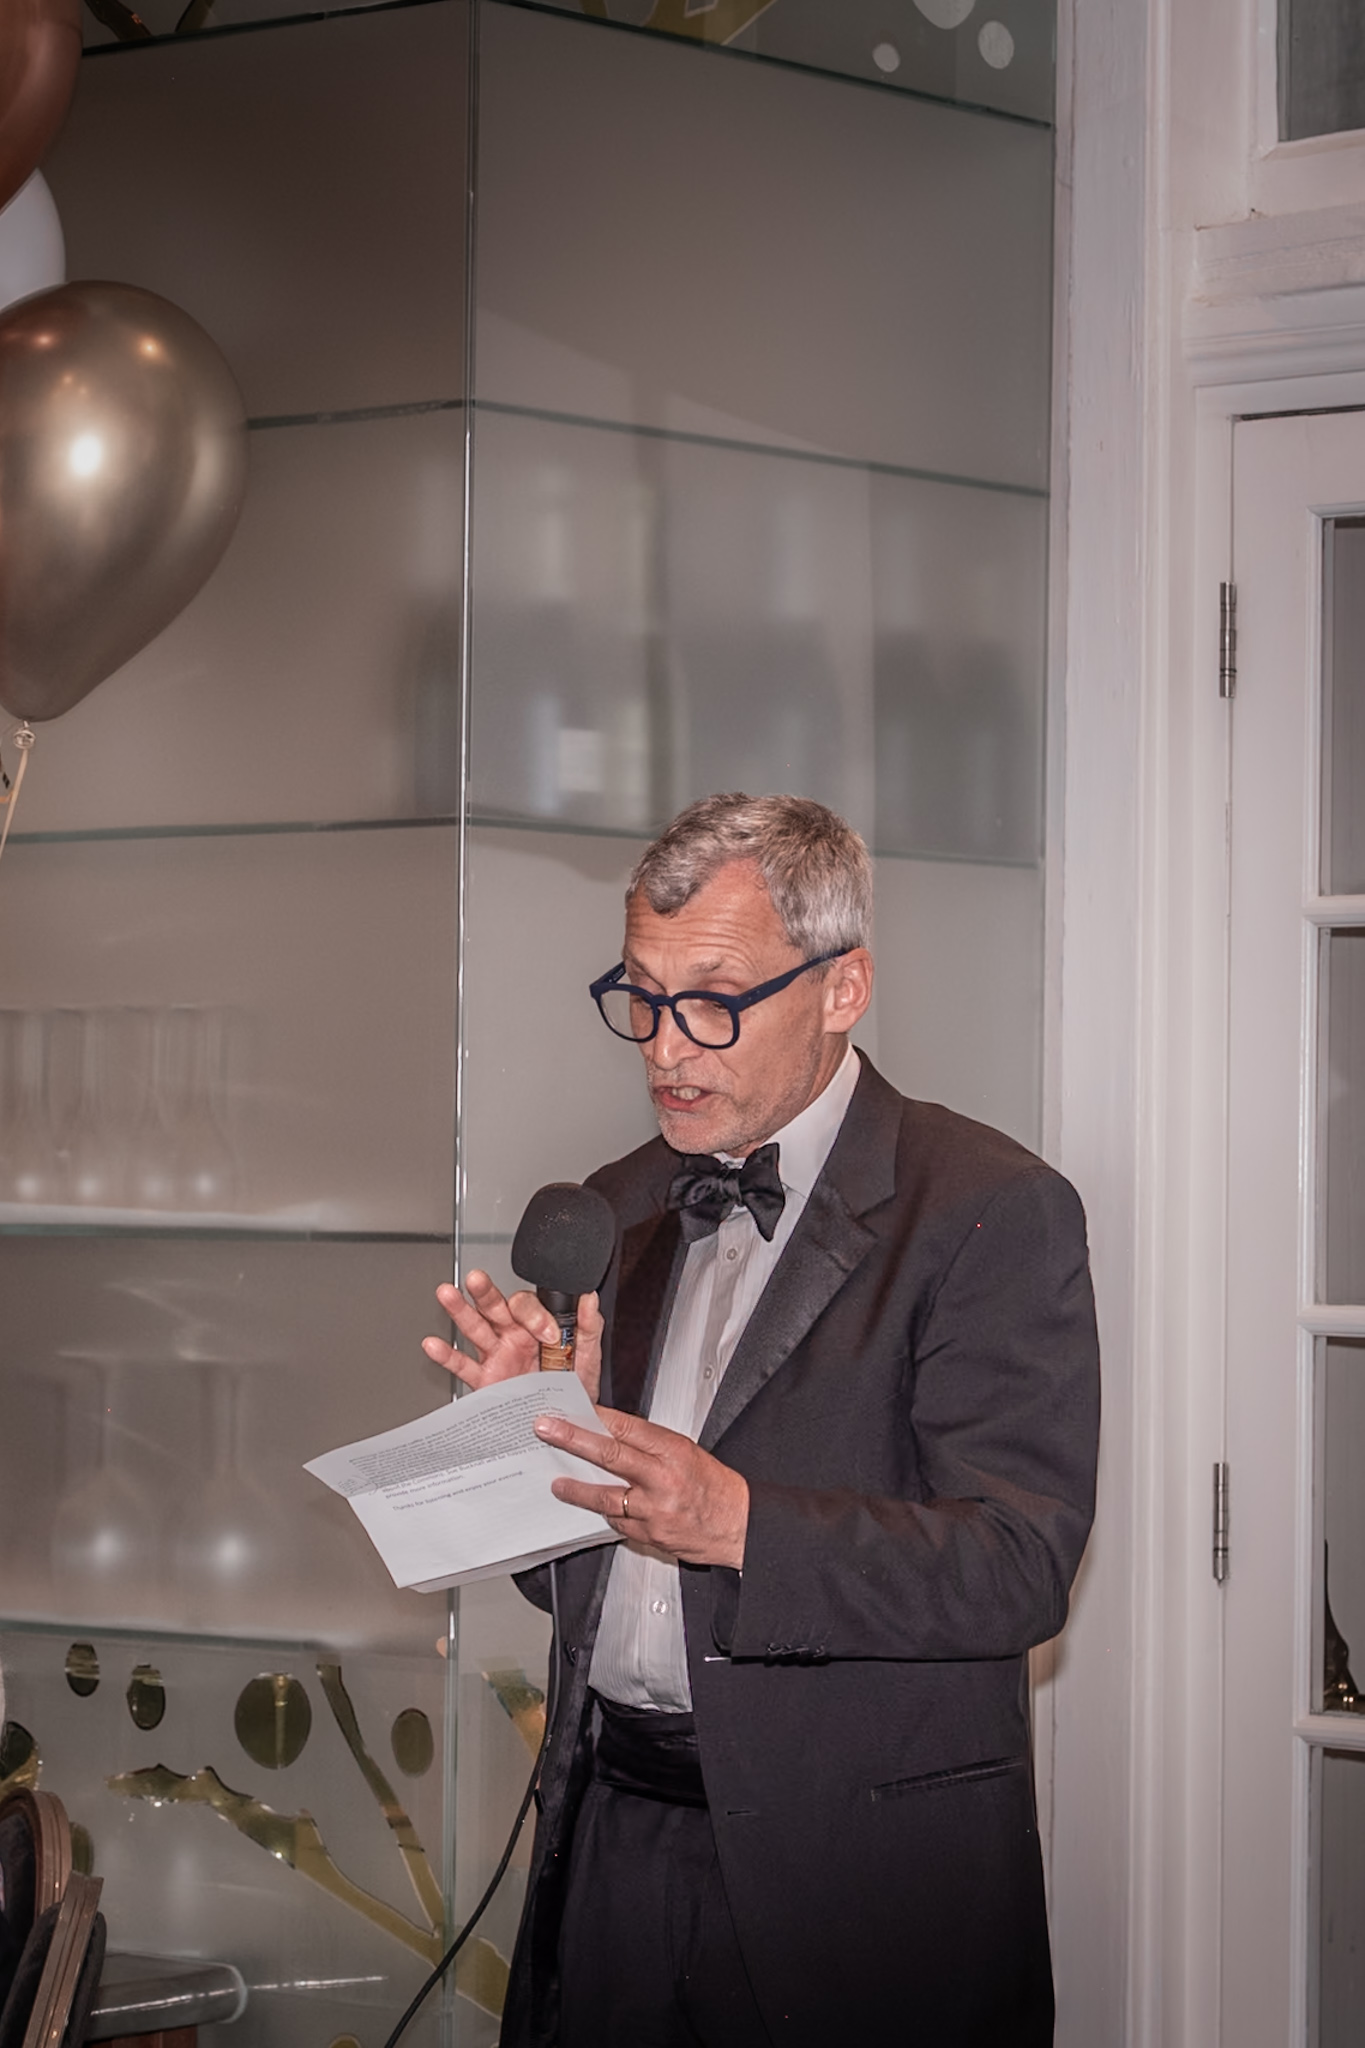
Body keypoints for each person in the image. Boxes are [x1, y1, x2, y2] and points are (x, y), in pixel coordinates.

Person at [424, 792, 1100, 2048]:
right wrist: (530, 1442)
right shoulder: (618, 1201)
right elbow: (582, 1579)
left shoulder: (990, 1207)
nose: (665, 1048)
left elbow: (1020, 1565)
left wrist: (742, 1524)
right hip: (609, 1844)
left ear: (844, 988)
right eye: (642, 996)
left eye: (715, 1002)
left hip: (855, 1879)